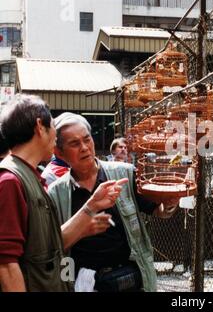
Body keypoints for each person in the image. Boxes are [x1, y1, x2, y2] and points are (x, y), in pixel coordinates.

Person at [0, 95, 127, 292]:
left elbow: (46, 247)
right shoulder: (11, 181)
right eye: (52, 125)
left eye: (87, 139)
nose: (55, 136)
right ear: (40, 127)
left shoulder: (30, 177)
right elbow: (6, 264)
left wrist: (91, 205)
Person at [48, 113, 178, 292]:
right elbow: (54, 247)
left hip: (129, 280)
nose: (84, 148)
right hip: (84, 284)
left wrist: (170, 202)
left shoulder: (125, 174)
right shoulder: (56, 193)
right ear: (59, 152)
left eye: (87, 140)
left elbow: (159, 210)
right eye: (74, 144)